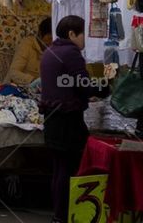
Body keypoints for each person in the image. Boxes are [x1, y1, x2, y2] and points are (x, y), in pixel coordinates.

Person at [40, 15, 113, 223]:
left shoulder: (50, 51)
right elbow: (84, 85)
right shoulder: (71, 53)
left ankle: (58, 215)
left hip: (52, 119)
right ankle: (64, 215)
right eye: (83, 35)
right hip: (67, 120)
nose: (84, 41)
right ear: (72, 34)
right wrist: (106, 86)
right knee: (68, 169)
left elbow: (68, 83)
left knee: (59, 169)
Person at [5, 17, 52, 86]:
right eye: (49, 38)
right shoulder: (26, 45)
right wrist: (34, 81)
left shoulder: (55, 49)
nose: (51, 42)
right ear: (40, 34)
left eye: (54, 39)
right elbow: (13, 72)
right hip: (19, 87)